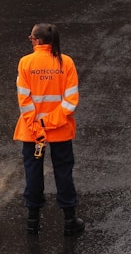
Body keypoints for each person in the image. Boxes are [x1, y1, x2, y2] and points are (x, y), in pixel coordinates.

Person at [14, 23, 84, 236]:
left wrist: (37, 124)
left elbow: (24, 99)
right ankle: (70, 220)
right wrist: (50, 122)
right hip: (60, 130)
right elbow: (70, 100)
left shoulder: (26, 62)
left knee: (33, 172)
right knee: (63, 171)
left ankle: (33, 221)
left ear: (36, 41)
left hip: (32, 131)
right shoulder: (66, 62)